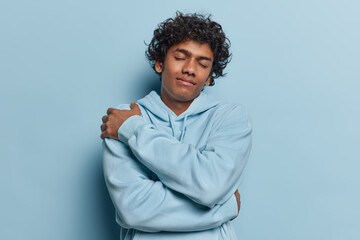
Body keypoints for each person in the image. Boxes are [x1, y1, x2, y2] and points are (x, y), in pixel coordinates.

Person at [100, 12, 252, 240]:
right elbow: (134, 210)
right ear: (160, 63)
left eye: (202, 63)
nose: (190, 69)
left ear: (209, 77)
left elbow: (210, 185)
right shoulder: (123, 117)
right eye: (181, 57)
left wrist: (134, 131)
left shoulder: (230, 117)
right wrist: (224, 207)